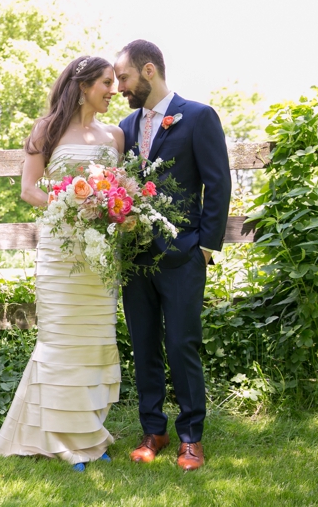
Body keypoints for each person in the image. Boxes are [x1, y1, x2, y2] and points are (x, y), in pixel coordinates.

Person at [0, 55, 124, 472]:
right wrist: (71, 205)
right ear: (83, 85)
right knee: (62, 342)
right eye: (105, 82)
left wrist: (115, 207)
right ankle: (63, 441)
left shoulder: (116, 136)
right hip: (59, 250)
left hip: (101, 256)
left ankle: (87, 434)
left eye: (115, 82)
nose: (113, 90)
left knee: (94, 342)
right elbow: (29, 190)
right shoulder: (46, 129)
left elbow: (120, 190)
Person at [114, 40, 231, 471]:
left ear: (149, 71)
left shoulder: (199, 116)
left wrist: (204, 247)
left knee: (182, 344)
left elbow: (218, 184)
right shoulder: (124, 127)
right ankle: (153, 430)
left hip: (183, 256)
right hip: (135, 257)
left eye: (123, 78)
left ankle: (190, 438)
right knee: (143, 344)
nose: (119, 87)